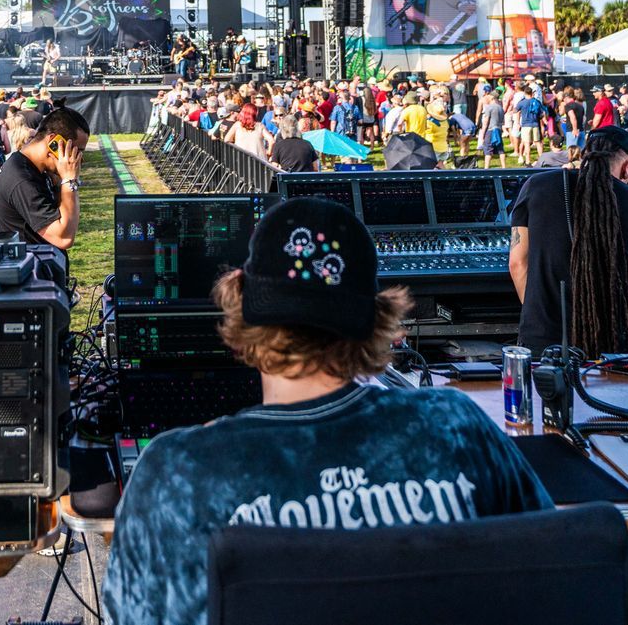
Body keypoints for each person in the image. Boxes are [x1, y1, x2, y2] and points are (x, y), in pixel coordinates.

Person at [104, 196, 549, 625]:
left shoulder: (174, 473)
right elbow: (556, 569)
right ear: (380, 325)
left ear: (240, 315)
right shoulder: (456, 427)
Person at [507, 126, 628, 357]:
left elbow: (517, 263)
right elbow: (627, 280)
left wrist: (540, 314)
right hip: (607, 341)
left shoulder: (536, 186)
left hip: (541, 340)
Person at [0, 104, 89, 249]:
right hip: (27, 269)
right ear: (54, 142)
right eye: (77, 151)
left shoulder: (32, 167)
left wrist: (59, 183)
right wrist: (70, 180)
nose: (80, 159)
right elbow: (64, 238)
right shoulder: (22, 178)